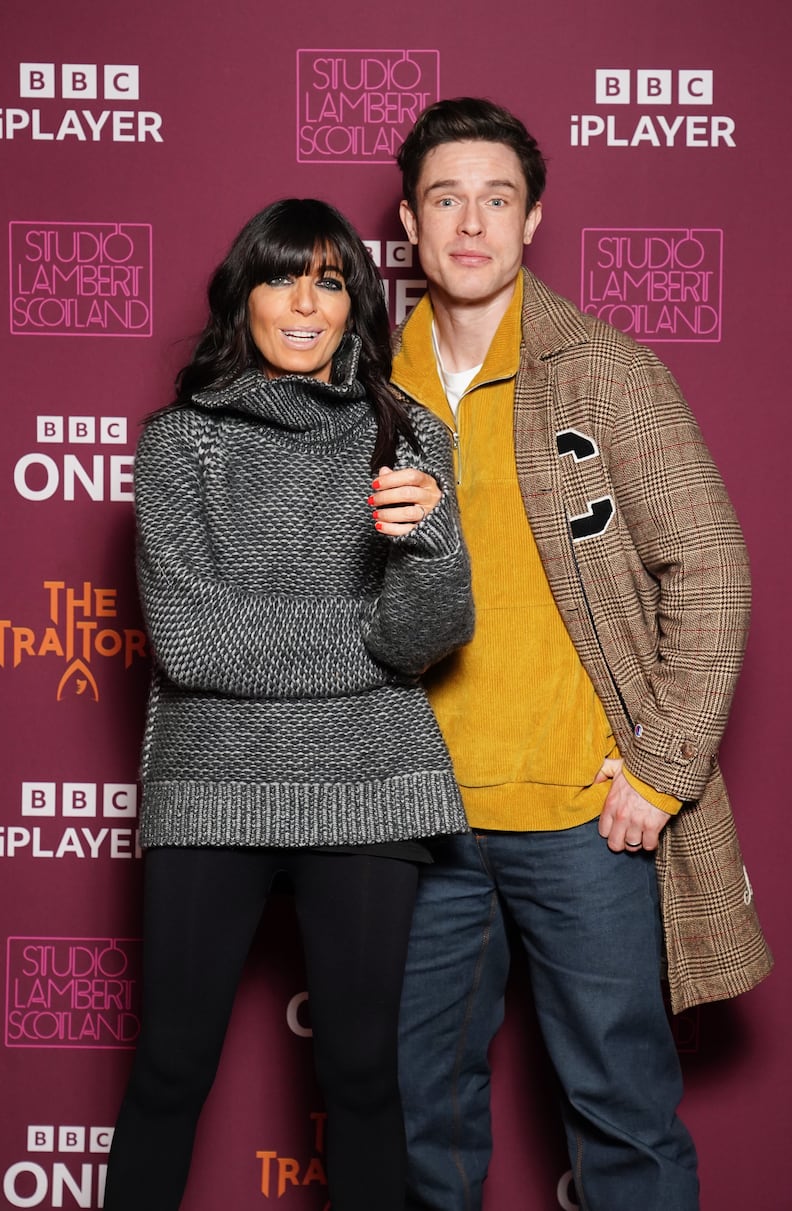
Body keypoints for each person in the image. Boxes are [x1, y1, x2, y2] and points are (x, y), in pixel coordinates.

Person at [372, 98, 773, 1211]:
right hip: (418, 821)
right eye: (444, 197)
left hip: (581, 820)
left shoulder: (602, 370)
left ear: (532, 217)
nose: (469, 222)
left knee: (625, 1117)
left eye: (495, 198)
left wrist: (661, 767)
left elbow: (710, 567)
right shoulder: (363, 391)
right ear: (407, 219)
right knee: (417, 1119)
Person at [103, 197, 474, 1211]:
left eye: (329, 278)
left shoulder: (409, 437)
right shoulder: (180, 442)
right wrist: (358, 638)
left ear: (355, 299)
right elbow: (189, 639)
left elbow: (420, 636)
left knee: (361, 1076)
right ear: (243, 296)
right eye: (280, 275)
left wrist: (431, 550)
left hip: (365, 786)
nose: (304, 301)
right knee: (171, 1067)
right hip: (211, 788)